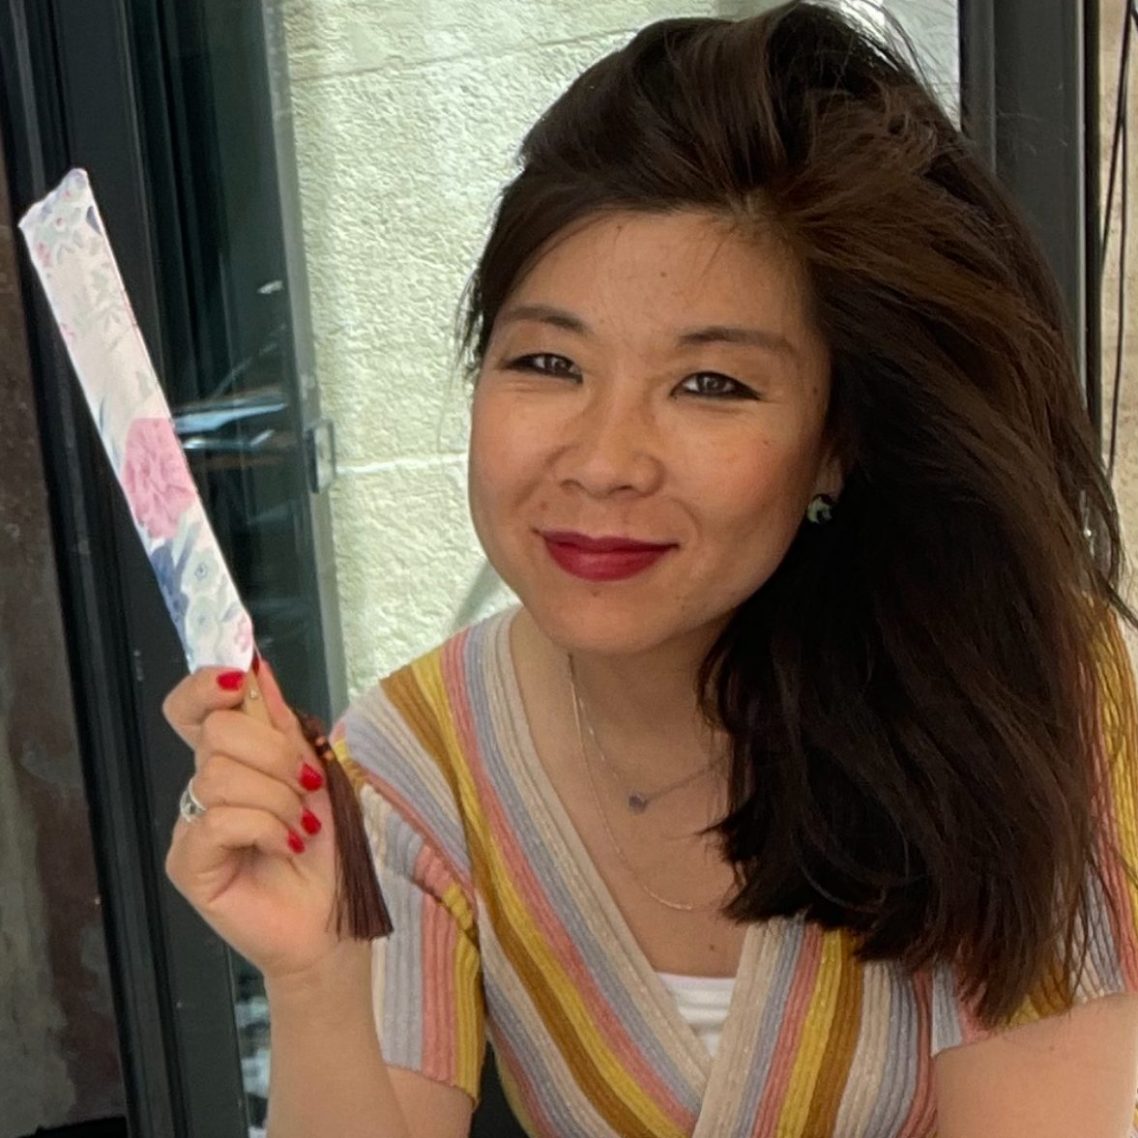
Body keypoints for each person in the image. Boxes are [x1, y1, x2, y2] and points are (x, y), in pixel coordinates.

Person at [162, 3, 1138, 1136]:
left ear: (837, 441)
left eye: (711, 385)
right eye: (547, 363)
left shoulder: (1023, 695)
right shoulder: (416, 766)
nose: (603, 461)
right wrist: (314, 976)